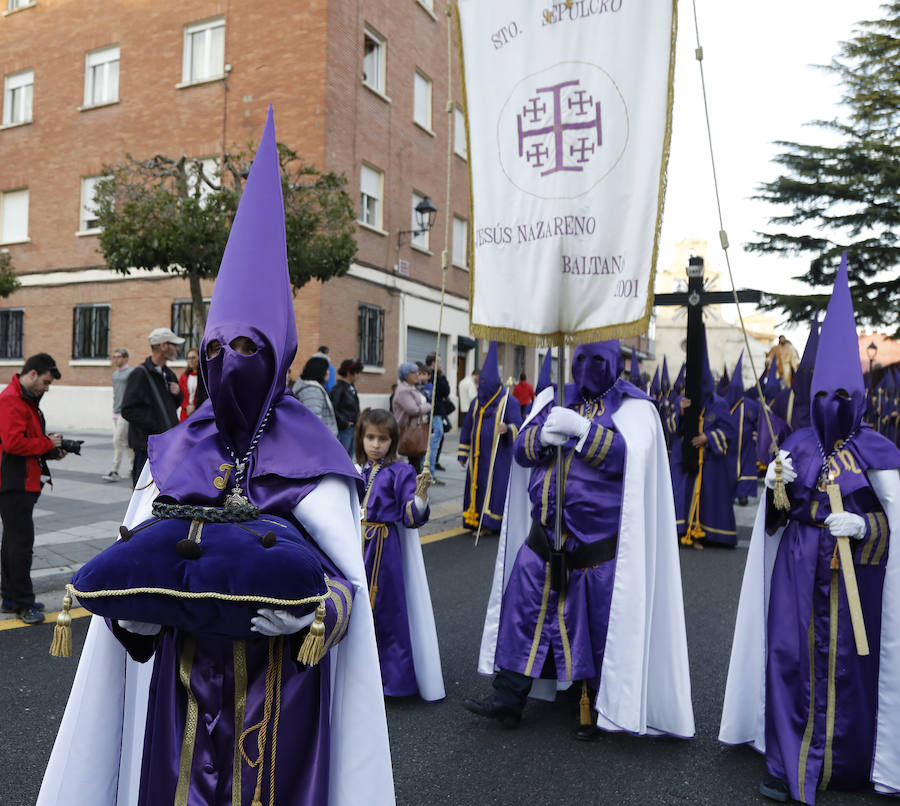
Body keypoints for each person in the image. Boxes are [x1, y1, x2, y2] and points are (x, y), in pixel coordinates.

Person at [38, 107, 394, 806]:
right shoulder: (172, 452)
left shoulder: (316, 456)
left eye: (250, 350)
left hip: (282, 687)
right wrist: (130, 621)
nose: (232, 365)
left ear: (281, 355)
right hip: (178, 683)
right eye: (219, 349)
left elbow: (347, 582)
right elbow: (138, 555)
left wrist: (317, 612)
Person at [720, 255, 900, 804]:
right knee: (791, 659)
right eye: (823, 396)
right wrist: (776, 484)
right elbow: (774, 522)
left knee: (851, 668)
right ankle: (786, 759)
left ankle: (852, 761)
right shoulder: (796, 446)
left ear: (860, 399)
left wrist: (865, 526)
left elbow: (893, 528)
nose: (831, 407)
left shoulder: (878, 453)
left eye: (843, 398)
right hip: (799, 569)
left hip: (856, 587)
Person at [464, 341, 694, 740]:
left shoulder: (635, 407)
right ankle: (507, 701)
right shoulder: (553, 397)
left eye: (597, 360)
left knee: (591, 626)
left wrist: (584, 432)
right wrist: (543, 437)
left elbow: (631, 458)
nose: (586, 367)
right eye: (580, 359)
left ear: (615, 363)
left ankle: (590, 708)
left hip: (594, 546)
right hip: (543, 536)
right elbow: (521, 451)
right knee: (524, 615)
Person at [356, 408, 444, 701]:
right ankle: (359, 678)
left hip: (384, 550)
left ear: (392, 441)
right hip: (355, 548)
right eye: (370, 437)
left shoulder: (401, 472)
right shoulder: (356, 471)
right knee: (356, 612)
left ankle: (394, 681)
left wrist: (420, 497)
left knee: (387, 612)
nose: (376, 444)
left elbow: (410, 515)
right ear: (361, 438)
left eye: (383, 438)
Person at [0, 353, 66, 625]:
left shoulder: (26, 399)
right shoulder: (11, 401)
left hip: (19, 480)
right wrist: (46, 444)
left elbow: (27, 441)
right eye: (46, 382)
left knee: (12, 544)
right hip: (14, 483)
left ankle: (10, 598)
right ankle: (24, 604)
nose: (47, 388)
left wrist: (51, 450)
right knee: (20, 546)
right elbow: (14, 444)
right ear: (32, 374)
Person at [666, 328, 738, 548]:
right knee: (680, 493)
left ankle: (707, 532)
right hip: (683, 457)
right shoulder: (682, 399)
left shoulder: (719, 404)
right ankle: (680, 530)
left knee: (709, 495)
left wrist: (708, 437)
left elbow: (729, 431)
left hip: (709, 460)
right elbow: (669, 427)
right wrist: (681, 412)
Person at [458, 343, 522, 533]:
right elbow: (467, 427)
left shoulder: (509, 401)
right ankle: (474, 518)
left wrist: (508, 429)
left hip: (498, 456)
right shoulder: (477, 403)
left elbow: (519, 426)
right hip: (477, 457)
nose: (480, 387)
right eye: (479, 383)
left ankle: (491, 523)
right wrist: (463, 454)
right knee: (476, 487)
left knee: (494, 488)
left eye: (484, 384)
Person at [120, 327, 184, 487]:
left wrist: (178, 394)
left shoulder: (167, 373)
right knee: (144, 498)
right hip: (147, 449)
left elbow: (171, 406)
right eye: (174, 345)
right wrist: (157, 426)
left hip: (167, 446)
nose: (177, 348)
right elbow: (128, 409)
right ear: (163, 346)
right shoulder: (140, 374)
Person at [101, 346, 133, 482]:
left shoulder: (132, 373)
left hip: (125, 413)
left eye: (119, 357)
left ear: (126, 358)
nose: (116, 359)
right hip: (116, 411)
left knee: (117, 440)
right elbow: (116, 393)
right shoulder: (115, 375)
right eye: (114, 357)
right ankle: (134, 467)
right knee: (125, 442)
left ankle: (114, 470)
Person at [393, 361, 431, 474]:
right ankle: (413, 487)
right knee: (413, 461)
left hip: (414, 428)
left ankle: (415, 486)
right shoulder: (403, 390)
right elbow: (413, 410)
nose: (417, 375)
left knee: (416, 460)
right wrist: (429, 406)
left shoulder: (412, 387)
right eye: (413, 372)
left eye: (417, 372)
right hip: (407, 429)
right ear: (405, 375)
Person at [292, 356, 338, 436]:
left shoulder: (311, 389)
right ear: (320, 371)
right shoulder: (312, 392)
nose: (328, 372)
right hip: (321, 442)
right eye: (327, 369)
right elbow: (314, 423)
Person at [425, 353, 451, 481]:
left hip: (437, 411)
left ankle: (431, 469)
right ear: (433, 363)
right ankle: (429, 471)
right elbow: (445, 390)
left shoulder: (435, 376)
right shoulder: (433, 376)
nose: (441, 364)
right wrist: (443, 376)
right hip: (434, 412)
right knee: (436, 437)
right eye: (439, 362)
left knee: (437, 437)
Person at [330, 358, 363, 454]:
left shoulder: (351, 387)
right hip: (344, 430)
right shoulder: (338, 389)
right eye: (357, 373)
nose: (358, 376)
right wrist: (344, 422)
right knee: (343, 457)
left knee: (350, 458)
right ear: (349, 373)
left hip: (353, 428)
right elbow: (332, 408)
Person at [177, 346, 207, 422]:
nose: (191, 360)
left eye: (193, 358)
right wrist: (186, 406)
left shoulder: (204, 376)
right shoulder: (184, 376)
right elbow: (180, 394)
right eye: (189, 358)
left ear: (199, 358)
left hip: (199, 413)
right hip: (185, 413)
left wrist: (195, 407)